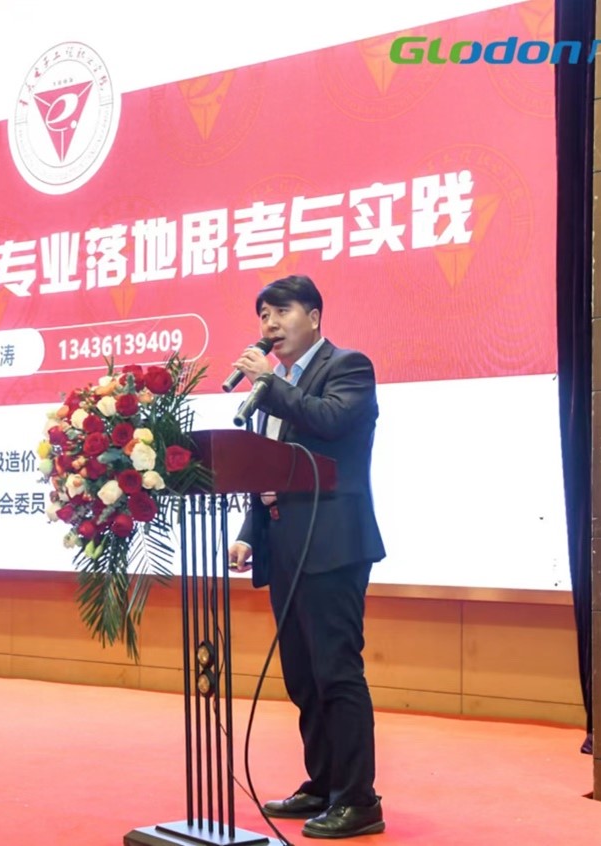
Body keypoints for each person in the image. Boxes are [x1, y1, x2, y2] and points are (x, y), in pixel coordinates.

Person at [227, 274, 386, 839]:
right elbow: (269, 467)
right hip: (287, 545)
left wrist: (269, 383)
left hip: (333, 544)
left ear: (314, 317)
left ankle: (359, 800)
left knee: (336, 671)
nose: (269, 325)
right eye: (263, 316)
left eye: (281, 312)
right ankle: (323, 784)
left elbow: (332, 421)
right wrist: (250, 532)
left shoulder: (348, 367)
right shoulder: (273, 389)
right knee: (302, 675)